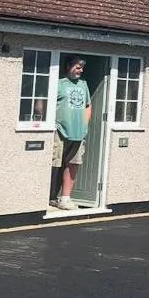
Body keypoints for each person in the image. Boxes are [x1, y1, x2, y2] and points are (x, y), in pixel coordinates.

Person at [53, 56, 92, 211]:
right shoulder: (59, 84)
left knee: (73, 164)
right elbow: (42, 103)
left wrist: (84, 125)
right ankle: (49, 197)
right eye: (77, 67)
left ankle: (65, 199)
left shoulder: (83, 85)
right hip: (60, 130)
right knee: (54, 164)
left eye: (82, 68)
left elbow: (88, 105)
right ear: (68, 66)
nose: (80, 70)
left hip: (78, 132)